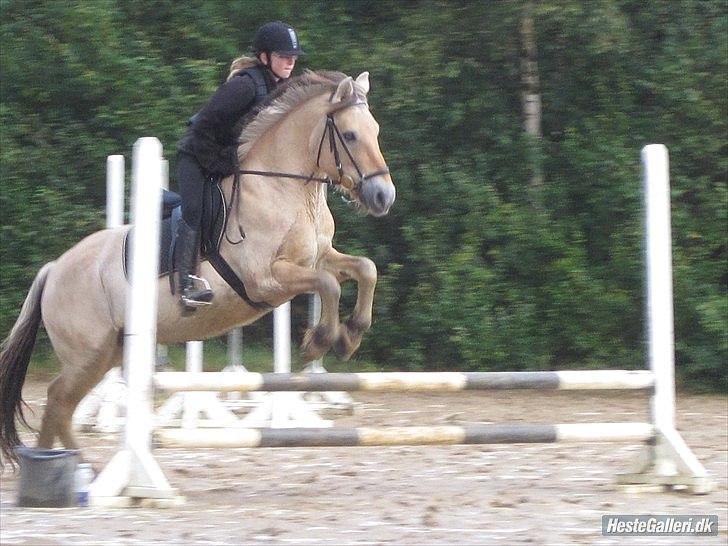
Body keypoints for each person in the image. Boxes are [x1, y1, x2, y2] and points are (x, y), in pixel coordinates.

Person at [174, 21, 305, 309]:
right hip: (197, 156)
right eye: (284, 56)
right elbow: (203, 127)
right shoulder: (244, 86)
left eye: (293, 57)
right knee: (194, 211)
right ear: (264, 57)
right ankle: (185, 284)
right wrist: (221, 162)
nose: (290, 62)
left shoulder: (282, 88)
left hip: (227, 163)